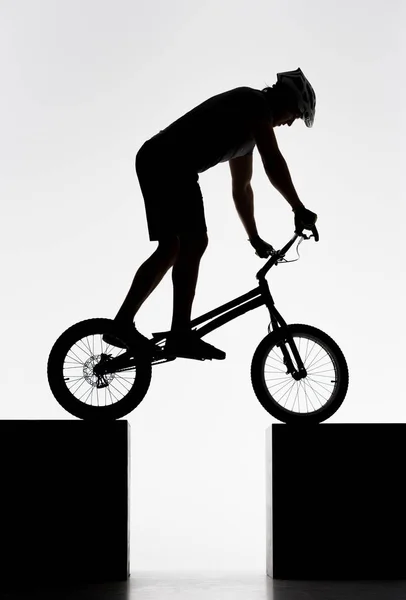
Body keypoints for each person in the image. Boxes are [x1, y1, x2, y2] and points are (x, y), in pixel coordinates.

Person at [105, 67, 318, 360]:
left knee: (172, 248)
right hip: (168, 162)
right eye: (296, 113)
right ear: (286, 100)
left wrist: (254, 237)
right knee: (193, 242)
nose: (291, 123)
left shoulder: (250, 136)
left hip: (160, 161)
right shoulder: (254, 103)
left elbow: (242, 188)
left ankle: (122, 325)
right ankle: (179, 333)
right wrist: (298, 207)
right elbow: (273, 160)